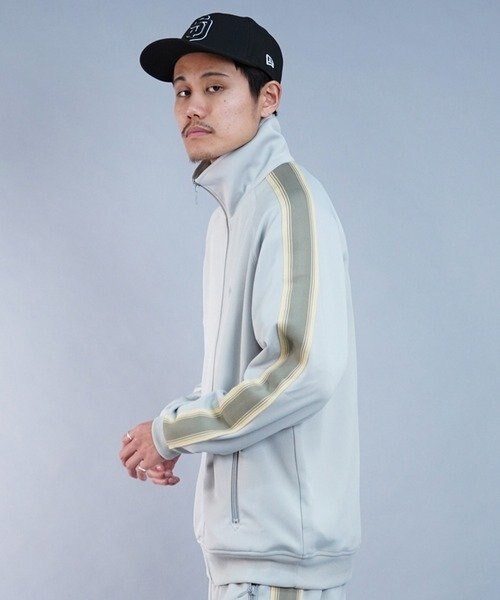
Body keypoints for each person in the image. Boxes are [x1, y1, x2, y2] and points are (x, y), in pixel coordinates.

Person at [119, 12, 360, 600]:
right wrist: (183, 434)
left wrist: (172, 431)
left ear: (267, 98)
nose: (193, 107)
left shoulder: (289, 204)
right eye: (182, 91)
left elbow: (300, 367)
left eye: (215, 87)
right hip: (245, 557)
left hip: (281, 564)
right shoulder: (231, 215)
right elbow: (240, 375)